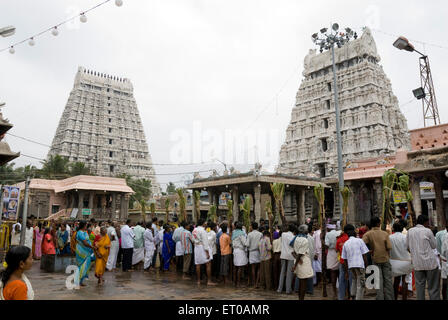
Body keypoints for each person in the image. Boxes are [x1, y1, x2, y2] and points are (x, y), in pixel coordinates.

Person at [406, 214, 440, 300]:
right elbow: (434, 245)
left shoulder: (410, 231)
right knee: (433, 288)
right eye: (428, 222)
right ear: (425, 222)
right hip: (430, 263)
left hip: (417, 264)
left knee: (419, 288)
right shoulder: (427, 231)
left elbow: (407, 247)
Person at [363, 216, 393, 300]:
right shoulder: (385, 233)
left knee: (378, 281)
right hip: (385, 258)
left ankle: (380, 298)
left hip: (375, 259)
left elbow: (362, 244)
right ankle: (389, 298)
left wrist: (369, 251)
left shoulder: (368, 234)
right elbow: (389, 247)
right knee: (388, 281)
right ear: (378, 223)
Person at [341, 226, 369, 300]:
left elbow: (345, 259)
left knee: (354, 280)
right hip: (359, 265)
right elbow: (364, 255)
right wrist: (366, 266)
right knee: (361, 284)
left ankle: (352, 295)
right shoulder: (360, 241)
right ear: (355, 234)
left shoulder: (346, 243)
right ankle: (358, 298)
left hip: (351, 266)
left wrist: (346, 271)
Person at [390, 221, 413, 300]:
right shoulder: (405, 237)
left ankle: (395, 298)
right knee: (404, 281)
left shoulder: (390, 237)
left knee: (396, 281)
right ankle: (404, 298)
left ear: (393, 228)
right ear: (402, 228)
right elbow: (410, 249)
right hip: (405, 261)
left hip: (394, 262)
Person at [292, 225, 314, 300]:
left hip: (299, 261)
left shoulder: (296, 238)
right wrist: (295, 265)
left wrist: (296, 262)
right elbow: (300, 253)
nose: (308, 230)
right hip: (303, 262)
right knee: (303, 284)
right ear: (304, 231)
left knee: (301, 283)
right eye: (307, 229)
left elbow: (294, 252)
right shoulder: (305, 240)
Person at [193, 219, 216, 286]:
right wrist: (207, 252)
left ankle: (198, 280)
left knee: (197, 264)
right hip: (202, 247)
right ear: (202, 223)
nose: (206, 223)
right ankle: (209, 281)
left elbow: (192, 239)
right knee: (208, 263)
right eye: (205, 222)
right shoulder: (202, 231)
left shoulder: (194, 230)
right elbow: (205, 242)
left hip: (196, 247)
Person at [75, 221, 95, 286]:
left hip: (87, 251)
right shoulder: (79, 233)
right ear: (84, 226)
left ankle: (81, 281)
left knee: (86, 265)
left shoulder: (85, 232)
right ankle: (78, 280)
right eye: (86, 225)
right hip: (81, 251)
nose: (86, 226)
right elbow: (85, 243)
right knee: (81, 265)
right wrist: (92, 247)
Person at [336, 223, 353, 300]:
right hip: (351, 262)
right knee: (351, 280)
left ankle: (341, 297)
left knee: (342, 280)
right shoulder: (351, 239)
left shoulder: (339, 239)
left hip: (342, 261)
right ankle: (351, 296)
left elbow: (336, 250)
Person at [325, 221, 341, 299]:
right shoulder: (340, 232)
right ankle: (342, 291)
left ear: (328, 228)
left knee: (333, 272)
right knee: (340, 272)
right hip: (339, 253)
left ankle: (334, 292)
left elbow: (327, 245)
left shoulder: (328, 234)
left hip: (332, 253)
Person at [277, 224, 295, 294]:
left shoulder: (283, 234)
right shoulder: (293, 237)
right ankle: (288, 289)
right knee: (289, 273)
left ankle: (279, 288)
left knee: (282, 272)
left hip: (283, 254)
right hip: (290, 255)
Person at [245, 222, 263, 288]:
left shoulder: (249, 234)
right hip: (258, 252)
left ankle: (253, 282)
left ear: (252, 227)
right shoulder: (260, 234)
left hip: (252, 252)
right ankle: (256, 283)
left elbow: (247, 244)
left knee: (253, 268)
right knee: (258, 268)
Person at [232, 221, 247, 287]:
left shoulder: (234, 232)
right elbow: (245, 243)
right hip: (240, 251)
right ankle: (238, 283)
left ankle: (235, 282)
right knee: (240, 267)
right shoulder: (241, 233)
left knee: (235, 267)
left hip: (235, 250)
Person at [435, 225, 448, 300]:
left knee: (445, 283)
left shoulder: (439, 234)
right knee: (445, 283)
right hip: (444, 260)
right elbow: (438, 248)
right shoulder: (439, 234)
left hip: (444, 260)